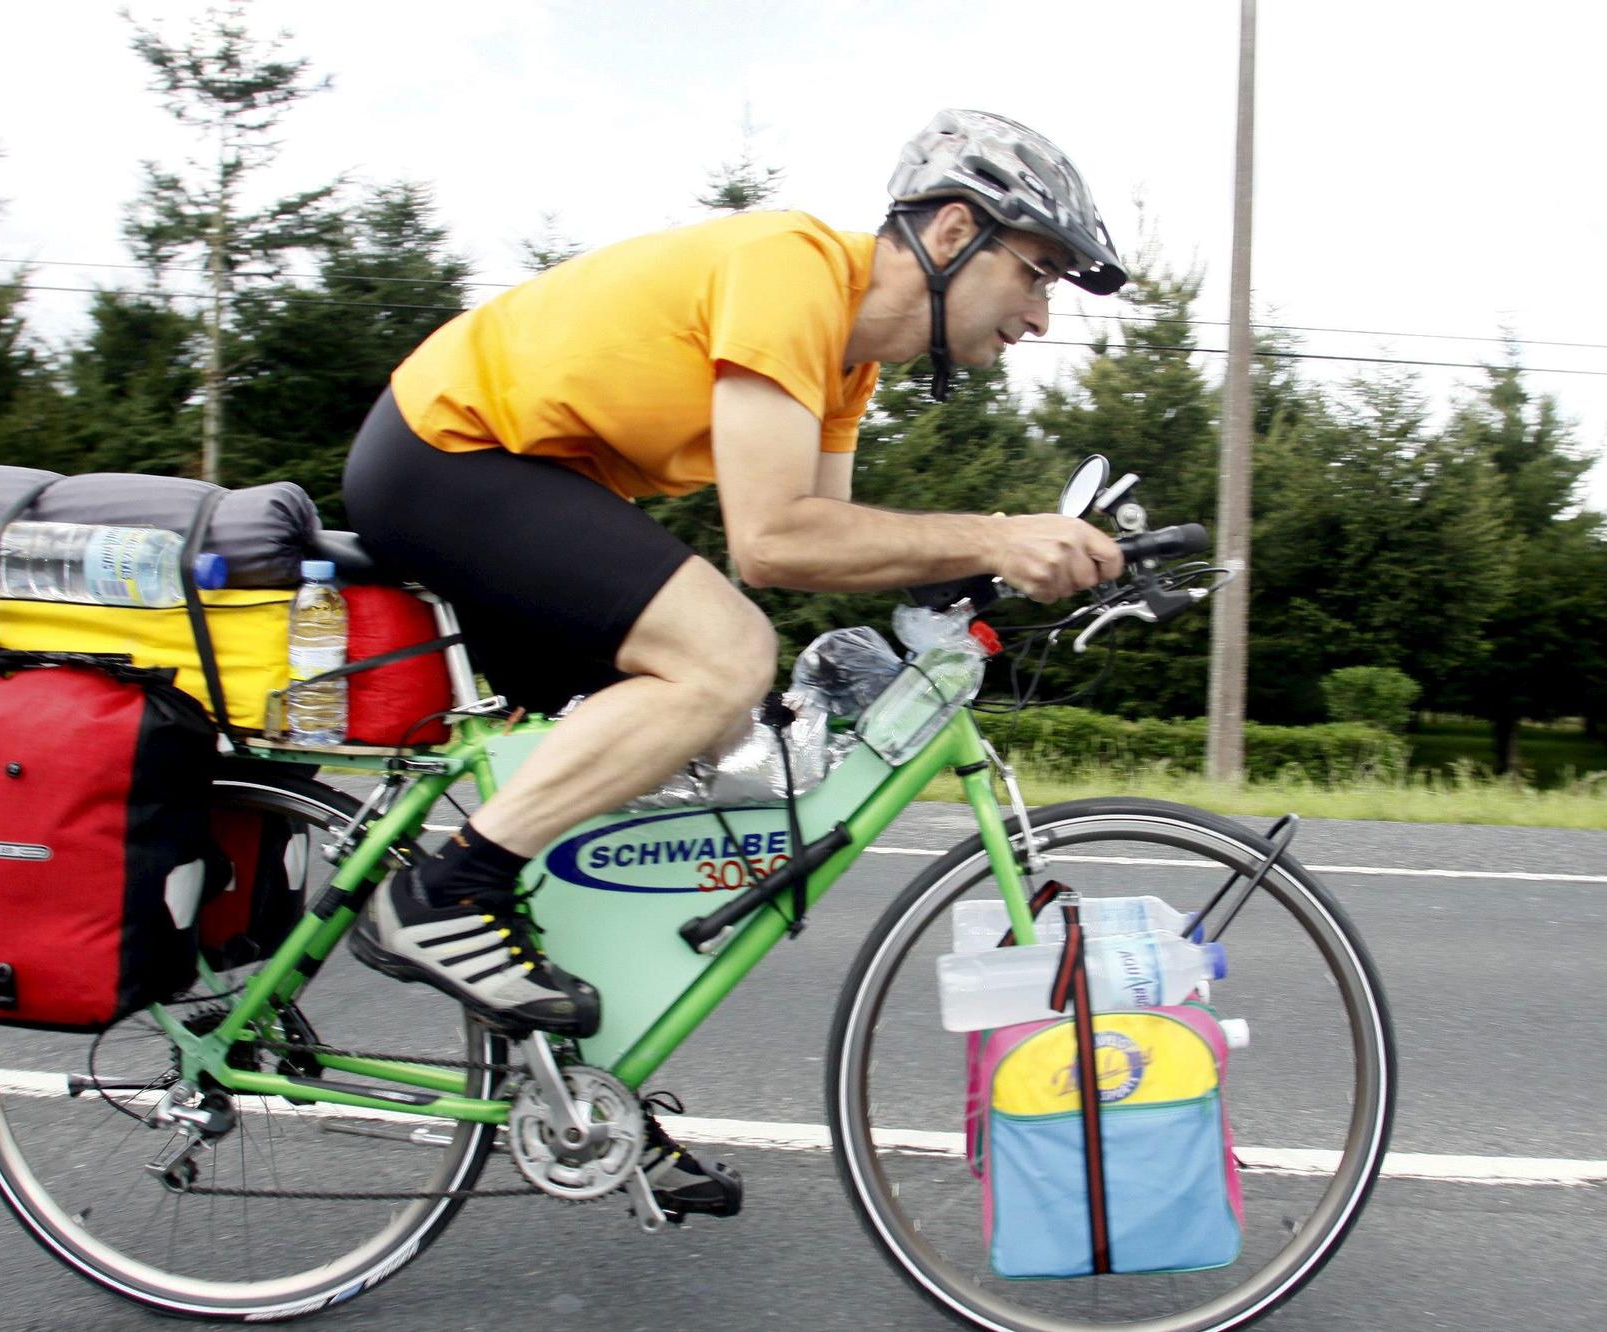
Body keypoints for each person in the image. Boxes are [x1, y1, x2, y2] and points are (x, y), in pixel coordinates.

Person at [340, 109, 1126, 1216]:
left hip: (530, 481)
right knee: (723, 657)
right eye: (1035, 272)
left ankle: (579, 1078)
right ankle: (442, 892)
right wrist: (995, 530)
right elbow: (770, 541)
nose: (1041, 315)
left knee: (706, 731)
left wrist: (980, 571)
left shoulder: (847, 361)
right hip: (449, 453)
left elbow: (831, 544)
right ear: (952, 231)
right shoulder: (792, 271)